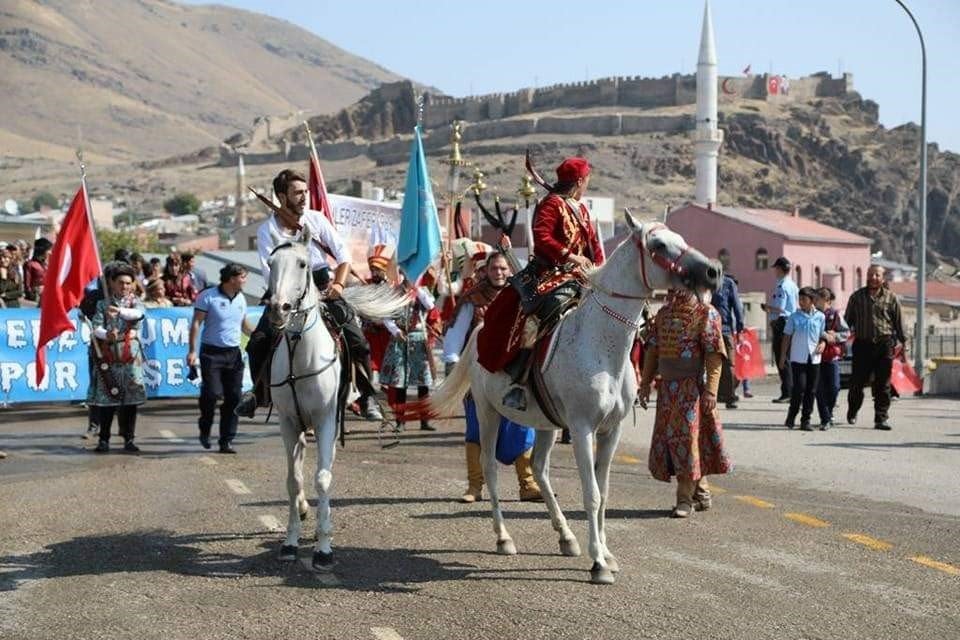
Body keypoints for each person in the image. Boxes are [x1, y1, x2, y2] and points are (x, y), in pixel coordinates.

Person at [236, 168, 383, 422]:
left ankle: (367, 395)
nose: (304, 197)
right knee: (258, 342)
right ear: (282, 197)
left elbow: (342, 255)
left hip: (324, 285)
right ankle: (257, 394)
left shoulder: (316, 220)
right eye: (297, 193)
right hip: (284, 289)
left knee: (357, 341)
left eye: (305, 192)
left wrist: (337, 286)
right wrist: (287, 295)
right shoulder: (266, 231)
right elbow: (267, 270)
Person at [479, 157, 604, 411]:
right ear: (579, 181)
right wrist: (570, 257)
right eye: (587, 179)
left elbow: (594, 246)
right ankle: (520, 380)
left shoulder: (582, 210)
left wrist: (600, 270)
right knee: (545, 310)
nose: (588, 184)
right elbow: (543, 238)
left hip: (583, 276)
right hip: (549, 273)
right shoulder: (550, 204)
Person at [443, 251, 543, 502]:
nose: (499, 273)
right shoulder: (473, 299)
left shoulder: (520, 298)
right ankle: (474, 487)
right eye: (494, 268)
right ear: (486, 271)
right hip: (479, 374)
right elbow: (455, 339)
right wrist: (458, 372)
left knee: (522, 426)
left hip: (513, 375)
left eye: (503, 268)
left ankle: (527, 484)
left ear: (510, 271)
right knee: (477, 430)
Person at [638, 287, 732, 518]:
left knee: (688, 443)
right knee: (682, 444)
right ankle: (702, 493)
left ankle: (684, 500)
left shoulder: (705, 313)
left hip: (692, 391)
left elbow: (713, 355)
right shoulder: (663, 314)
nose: (675, 288)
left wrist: (711, 391)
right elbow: (653, 350)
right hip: (667, 391)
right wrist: (645, 382)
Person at [187, 264, 255, 453]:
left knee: (234, 397)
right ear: (232, 278)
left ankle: (226, 440)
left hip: (233, 354)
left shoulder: (241, 298)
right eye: (242, 277)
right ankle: (205, 428)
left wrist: (257, 335)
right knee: (212, 394)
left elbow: (243, 324)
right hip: (211, 353)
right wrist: (192, 351)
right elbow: (196, 324)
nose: (245, 281)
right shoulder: (208, 296)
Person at [89, 264, 147, 453]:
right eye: (120, 283)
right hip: (109, 355)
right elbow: (96, 327)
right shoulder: (102, 304)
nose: (125, 287)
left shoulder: (135, 302)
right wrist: (107, 334)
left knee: (130, 401)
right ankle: (103, 439)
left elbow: (138, 315)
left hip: (131, 356)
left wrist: (119, 312)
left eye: (128, 283)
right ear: (112, 283)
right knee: (108, 398)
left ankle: (128, 438)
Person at [844, 265, 906, 431]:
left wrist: (904, 344)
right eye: (870, 274)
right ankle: (853, 410)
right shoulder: (856, 297)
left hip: (884, 345)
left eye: (877, 275)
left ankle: (881, 418)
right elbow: (846, 323)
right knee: (857, 383)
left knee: (882, 384)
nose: (873, 278)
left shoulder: (891, 298)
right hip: (862, 345)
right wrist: (840, 341)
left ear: (883, 278)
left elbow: (899, 323)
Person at [381, 272, 437, 432]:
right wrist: (395, 330)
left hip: (418, 338)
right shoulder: (394, 292)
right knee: (400, 383)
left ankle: (424, 420)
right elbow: (386, 316)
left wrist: (417, 289)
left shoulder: (422, 291)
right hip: (400, 338)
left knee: (423, 383)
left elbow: (430, 306)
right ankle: (400, 421)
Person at [779, 287, 827, 431]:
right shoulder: (794, 317)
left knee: (811, 390)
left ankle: (805, 420)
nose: (800, 302)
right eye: (799, 299)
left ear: (812, 301)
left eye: (804, 299)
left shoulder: (820, 317)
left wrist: (823, 344)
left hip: (814, 358)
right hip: (798, 358)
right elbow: (786, 337)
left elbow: (821, 335)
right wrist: (782, 356)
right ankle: (791, 415)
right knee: (799, 388)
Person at [761, 257, 799, 403]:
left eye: (776, 268)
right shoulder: (793, 285)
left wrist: (767, 308)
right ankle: (791, 391)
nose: (775, 271)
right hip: (790, 322)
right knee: (788, 357)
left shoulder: (782, 286)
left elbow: (781, 308)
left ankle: (787, 392)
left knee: (782, 358)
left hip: (782, 322)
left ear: (780, 269)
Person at [815, 287, 850, 429]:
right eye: (815, 299)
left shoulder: (835, 315)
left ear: (828, 301)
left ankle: (829, 411)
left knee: (834, 387)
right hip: (816, 357)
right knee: (819, 389)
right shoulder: (813, 315)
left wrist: (834, 336)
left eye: (819, 300)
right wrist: (824, 336)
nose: (816, 302)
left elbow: (846, 333)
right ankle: (825, 418)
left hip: (832, 357)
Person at [711, 272, 745, 409]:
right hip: (724, 328)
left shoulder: (703, 278)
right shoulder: (728, 283)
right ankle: (729, 397)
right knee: (729, 364)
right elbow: (738, 308)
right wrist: (740, 329)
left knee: (709, 362)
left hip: (708, 326)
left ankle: (714, 394)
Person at [23, 237, 52, 303]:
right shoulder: (30, 264)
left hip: (48, 296)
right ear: (42, 250)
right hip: (36, 299)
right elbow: (27, 285)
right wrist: (34, 296)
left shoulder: (48, 264)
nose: (50, 252)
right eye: (49, 250)